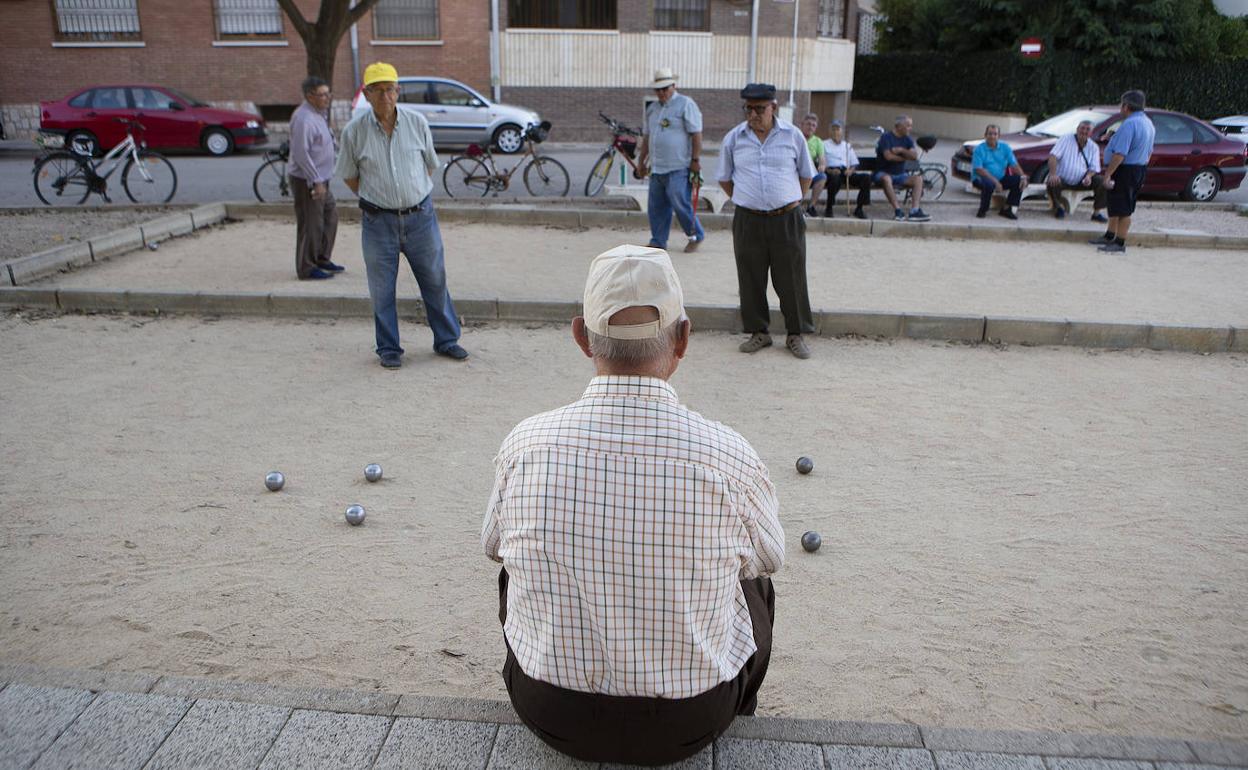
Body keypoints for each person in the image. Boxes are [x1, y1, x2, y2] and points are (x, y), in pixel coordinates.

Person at [482, 244, 783, 766]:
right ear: (684, 338)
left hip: (550, 712)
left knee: (514, 567)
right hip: (691, 720)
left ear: (581, 336)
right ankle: (742, 708)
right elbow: (769, 557)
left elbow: (491, 545)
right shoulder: (728, 454)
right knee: (754, 583)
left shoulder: (525, 444)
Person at [335, 62, 468, 368]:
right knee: (381, 288)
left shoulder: (417, 122)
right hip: (377, 222)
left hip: (421, 218)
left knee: (435, 280)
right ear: (366, 95)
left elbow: (429, 165)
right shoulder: (354, 132)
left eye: (390, 89)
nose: (385, 96)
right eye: (377, 90)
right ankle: (389, 348)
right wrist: (380, 199)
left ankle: (447, 340)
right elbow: (350, 176)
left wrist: (409, 194)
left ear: (398, 91)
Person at [717, 83, 816, 359]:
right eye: (748, 109)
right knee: (750, 276)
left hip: (786, 218)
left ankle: (795, 335)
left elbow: (806, 175)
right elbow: (725, 178)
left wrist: (791, 199)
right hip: (748, 220)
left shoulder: (793, 136)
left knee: (792, 278)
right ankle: (759, 332)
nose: (753, 115)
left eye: (759, 109)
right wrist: (748, 199)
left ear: (773, 107)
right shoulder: (734, 139)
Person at [637, 68, 705, 253]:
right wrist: (641, 162)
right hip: (657, 167)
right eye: (658, 89)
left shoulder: (685, 104)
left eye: (665, 88)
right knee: (656, 206)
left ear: (674, 86)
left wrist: (695, 159)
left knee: (680, 202)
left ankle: (696, 235)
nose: (661, 93)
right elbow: (647, 137)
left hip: (679, 166)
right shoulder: (652, 109)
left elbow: (696, 134)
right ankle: (658, 241)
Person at [287, 76, 342, 280]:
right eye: (323, 94)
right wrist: (316, 181)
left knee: (330, 216)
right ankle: (306, 267)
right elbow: (301, 154)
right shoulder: (304, 119)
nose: (328, 97)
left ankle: (321, 257)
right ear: (310, 96)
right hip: (308, 180)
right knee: (311, 223)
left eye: (329, 93)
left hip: (322, 177)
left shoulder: (318, 113)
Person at [1091, 90, 1156, 254]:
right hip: (1138, 168)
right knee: (1116, 204)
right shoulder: (1148, 123)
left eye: (1121, 105)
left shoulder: (1129, 124)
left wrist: (1108, 174)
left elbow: (1120, 154)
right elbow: (1149, 151)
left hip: (1126, 169)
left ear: (1126, 106)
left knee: (1123, 207)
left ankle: (1119, 242)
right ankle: (1110, 235)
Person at [1045, 120, 1108, 222]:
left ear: (1091, 133)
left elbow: (1094, 168)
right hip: (1063, 179)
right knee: (1052, 181)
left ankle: (1096, 213)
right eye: (1082, 128)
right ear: (1077, 129)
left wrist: (1088, 176)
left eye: (1087, 129)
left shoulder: (1094, 147)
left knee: (1102, 182)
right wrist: (1053, 174)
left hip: (1082, 181)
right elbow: (1053, 156)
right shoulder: (1065, 139)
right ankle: (1057, 208)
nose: (1084, 131)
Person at [873, 115, 930, 222]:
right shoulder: (886, 138)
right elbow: (888, 156)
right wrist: (904, 158)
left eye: (911, 126)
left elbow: (914, 156)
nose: (910, 128)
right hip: (883, 172)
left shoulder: (907, 139)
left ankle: (915, 211)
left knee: (918, 179)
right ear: (899, 126)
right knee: (886, 179)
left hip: (900, 174)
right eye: (908, 125)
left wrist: (901, 150)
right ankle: (898, 211)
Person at [971, 124, 1027, 220]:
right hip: (981, 178)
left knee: (1018, 181)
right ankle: (983, 209)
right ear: (985, 135)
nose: (992, 136)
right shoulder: (979, 149)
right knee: (989, 185)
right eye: (990, 134)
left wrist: (1023, 176)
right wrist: (996, 182)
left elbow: (1014, 164)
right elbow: (979, 170)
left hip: (1000, 178)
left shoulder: (1005, 147)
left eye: (995, 134)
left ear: (999, 136)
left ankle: (1007, 209)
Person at [822, 119, 869, 219]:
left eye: (838, 129)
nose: (835, 132)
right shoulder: (824, 144)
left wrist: (851, 170)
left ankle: (859, 208)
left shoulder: (847, 146)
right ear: (829, 131)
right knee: (834, 179)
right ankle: (829, 207)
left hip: (846, 172)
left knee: (866, 178)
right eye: (833, 129)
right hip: (832, 172)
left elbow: (854, 163)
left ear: (842, 131)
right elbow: (822, 164)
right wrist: (830, 170)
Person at [799, 112, 827, 216]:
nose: (810, 127)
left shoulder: (818, 141)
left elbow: (822, 158)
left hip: (810, 171)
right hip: (795, 171)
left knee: (822, 177)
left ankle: (811, 206)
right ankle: (796, 206)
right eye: (808, 124)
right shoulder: (797, 136)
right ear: (802, 125)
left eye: (813, 125)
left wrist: (822, 165)